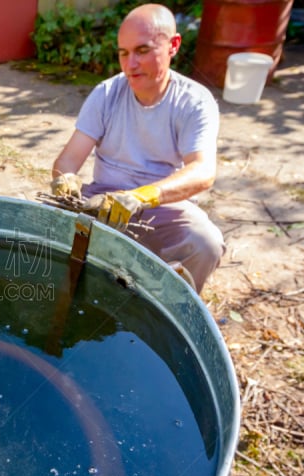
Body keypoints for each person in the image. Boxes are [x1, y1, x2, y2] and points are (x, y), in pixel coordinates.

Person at [51, 3, 224, 292]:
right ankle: (74, 295)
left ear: (173, 45)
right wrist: (66, 178)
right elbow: (68, 158)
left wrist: (142, 196)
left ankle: (169, 311)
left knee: (205, 243)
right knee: (41, 226)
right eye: (123, 53)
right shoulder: (106, 93)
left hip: (163, 207)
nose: (130, 65)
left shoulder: (194, 101)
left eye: (142, 51)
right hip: (103, 201)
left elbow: (203, 171)